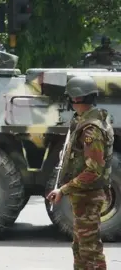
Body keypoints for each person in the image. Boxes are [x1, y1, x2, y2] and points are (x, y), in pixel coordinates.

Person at [48, 75, 113, 270]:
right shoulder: (87, 120)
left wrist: (64, 189)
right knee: (80, 248)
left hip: (88, 196)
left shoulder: (91, 129)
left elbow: (93, 171)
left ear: (76, 99)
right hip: (84, 196)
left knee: (90, 252)